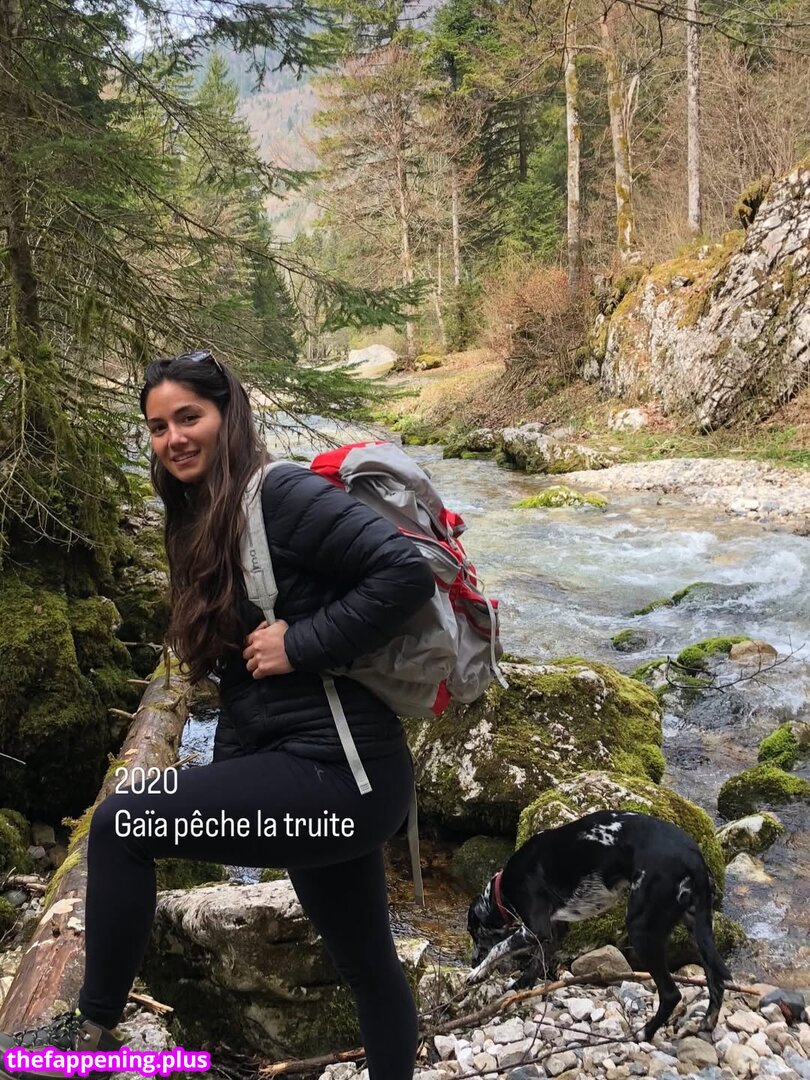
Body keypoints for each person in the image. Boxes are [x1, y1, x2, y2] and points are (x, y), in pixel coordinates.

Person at [0, 351, 436, 1080]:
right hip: (325, 783)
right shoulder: (205, 515)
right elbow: (243, 682)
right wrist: (232, 770)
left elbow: (404, 572)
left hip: (341, 777)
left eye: (189, 417)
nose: (174, 438)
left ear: (228, 415)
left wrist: (300, 643)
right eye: (158, 426)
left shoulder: (282, 494)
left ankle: (88, 1033)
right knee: (366, 964)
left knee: (123, 822)